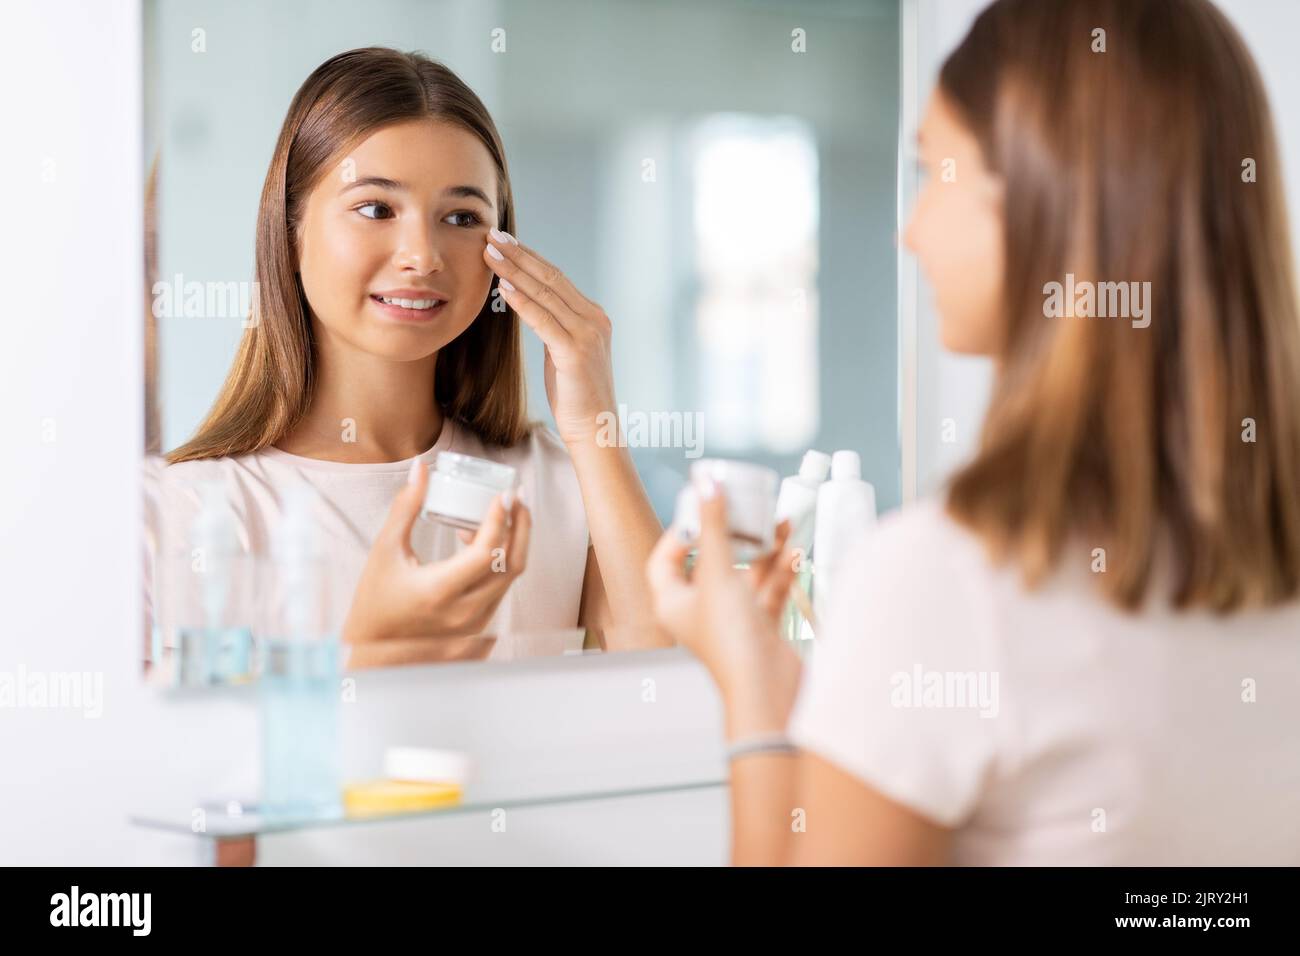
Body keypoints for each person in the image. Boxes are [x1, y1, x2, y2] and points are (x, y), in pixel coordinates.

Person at [648, 0, 1300, 865]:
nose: (909, 232)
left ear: (1042, 197)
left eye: (933, 171)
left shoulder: (951, 580)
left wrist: (756, 700)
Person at [147, 48, 664, 666]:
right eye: (375, 208)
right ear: (289, 234)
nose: (423, 254)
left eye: (461, 216)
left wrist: (593, 426)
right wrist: (372, 653)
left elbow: (672, 697)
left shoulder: (558, 483)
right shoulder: (178, 514)